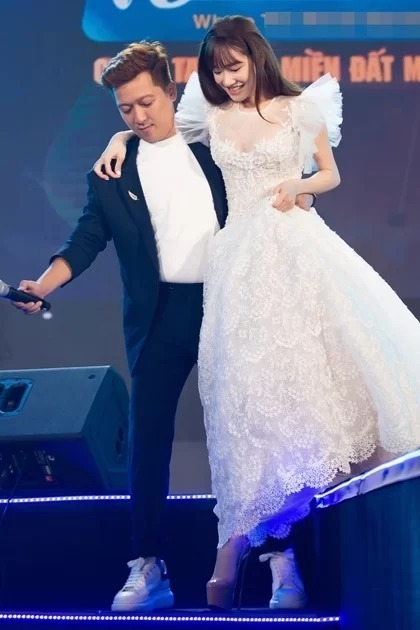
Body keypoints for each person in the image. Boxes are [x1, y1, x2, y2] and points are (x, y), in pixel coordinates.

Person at [94, 15, 420, 611]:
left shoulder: (300, 109)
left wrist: (301, 188)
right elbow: (155, 129)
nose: (227, 78)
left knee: (312, 382)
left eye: (234, 66)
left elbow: (330, 171)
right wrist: (119, 138)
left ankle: (279, 553)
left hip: (293, 250)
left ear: (255, 57)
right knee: (249, 405)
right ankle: (252, 550)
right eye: (217, 70)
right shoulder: (210, 115)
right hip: (236, 266)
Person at [12, 38, 315, 612]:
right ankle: (148, 566)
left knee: (257, 432)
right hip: (158, 317)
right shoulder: (111, 173)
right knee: (148, 440)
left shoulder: (214, 148)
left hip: (229, 304)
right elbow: (86, 239)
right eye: (125, 109)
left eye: (147, 103)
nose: (138, 117)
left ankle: (281, 561)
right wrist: (43, 286)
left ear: (172, 92)